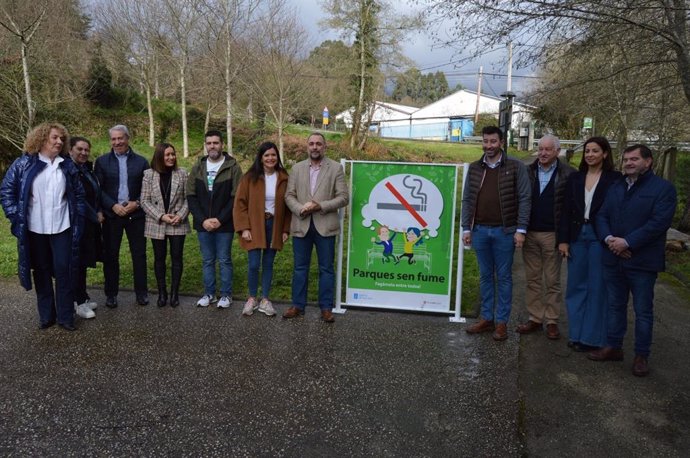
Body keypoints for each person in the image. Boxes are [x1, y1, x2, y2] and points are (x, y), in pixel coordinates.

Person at [589, 144, 677, 377]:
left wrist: (627, 243)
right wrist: (610, 240)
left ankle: (641, 355)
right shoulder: (617, 186)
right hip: (613, 257)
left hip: (642, 262)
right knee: (615, 305)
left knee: (643, 311)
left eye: (634, 159)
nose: (628, 163)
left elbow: (658, 224)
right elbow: (602, 215)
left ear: (648, 162)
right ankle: (613, 347)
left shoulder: (663, 189)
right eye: (626, 159)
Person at [0, 122, 85, 331]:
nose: (59, 142)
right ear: (42, 138)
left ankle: (66, 317)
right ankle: (46, 316)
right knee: (41, 271)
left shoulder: (67, 165)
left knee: (64, 271)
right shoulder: (23, 164)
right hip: (34, 229)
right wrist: (16, 217)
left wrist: (79, 220)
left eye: (61, 139)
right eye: (55, 137)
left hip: (62, 228)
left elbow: (79, 195)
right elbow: (6, 192)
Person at [462, 126, 531, 341]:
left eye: (493, 141)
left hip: (504, 232)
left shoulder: (516, 167)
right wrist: (466, 227)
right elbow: (467, 199)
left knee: (503, 277)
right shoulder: (474, 168)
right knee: (484, 276)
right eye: (485, 141)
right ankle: (486, 318)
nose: (489, 146)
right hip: (480, 231)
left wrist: (520, 230)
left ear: (501, 142)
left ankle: (501, 322)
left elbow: (525, 199)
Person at [558, 137, 621, 351]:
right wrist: (563, 240)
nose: (590, 155)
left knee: (597, 287)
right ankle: (575, 334)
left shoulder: (615, 179)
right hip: (577, 236)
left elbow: (618, 212)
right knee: (575, 286)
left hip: (600, 236)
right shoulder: (575, 178)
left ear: (605, 154)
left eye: (595, 151)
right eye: (587, 151)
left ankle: (592, 338)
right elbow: (565, 211)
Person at [283, 132, 349, 322]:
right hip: (301, 224)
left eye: (318, 144)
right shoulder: (296, 168)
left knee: (326, 269)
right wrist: (300, 209)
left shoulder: (335, 168)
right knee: (299, 268)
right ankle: (297, 305)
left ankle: (326, 308)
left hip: (325, 225)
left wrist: (321, 206)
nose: (314, 147)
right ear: (307, 146)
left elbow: (343, 197)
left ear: (324, 146)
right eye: (311, 143)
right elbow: (289, 195)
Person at [516, 135, 575, 340]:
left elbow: (570, 209)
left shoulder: (568, 174)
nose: (543, 153)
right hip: (530, 233)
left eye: (548, 149)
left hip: (552, 234)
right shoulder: (528, 171)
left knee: (552, 280)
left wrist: (566, 238)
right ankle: (535, 318)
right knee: (532, 279)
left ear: (557, 152)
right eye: (540, 149)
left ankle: (551, 320)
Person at [233, 141, 291, 317]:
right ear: (260, 157)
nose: (270, 158)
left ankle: (265, 299)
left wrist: (285, 230)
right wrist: (244, 227)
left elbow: (288, 206)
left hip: (274, 226)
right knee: (253, 264)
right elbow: (240, 204)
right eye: (266, 155)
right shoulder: (249, 178)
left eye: (273, 155)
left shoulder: (284, 177)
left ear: (277, 157)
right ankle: (252, 298)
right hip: (254, 225)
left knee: (268, 264)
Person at [94, 125, 150, 308]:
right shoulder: (101, 162)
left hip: (136, 215)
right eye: (113, 139)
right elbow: (98, 189)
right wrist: (112, 205)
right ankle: (111, 294)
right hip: (112, 215)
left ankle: (141, 293)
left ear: (127, 138)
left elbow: (149, 189)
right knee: (111, 256)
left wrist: (138, 203)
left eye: (120, 138)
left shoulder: (142, 162)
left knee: (139, 255)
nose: (117, 142)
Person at [186, 130, 242, 308]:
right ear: (205, 145)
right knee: (207, 260)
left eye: (215, 143)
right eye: (209, 143)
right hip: (203, 224)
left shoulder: (232, 166)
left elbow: (236, 197)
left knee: (224, 259)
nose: (212, 146)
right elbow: (191, 196)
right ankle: (209, 293)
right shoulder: (198, 166)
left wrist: (220, 219)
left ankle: (226, 295)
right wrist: (203, 220)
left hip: (224, 224)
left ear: (222, 144)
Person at [140, 143, 190, 307]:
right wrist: (161, 216)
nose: (171, 157)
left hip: (177, 222)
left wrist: (180, 216)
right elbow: (144, 201)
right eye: (167, 155)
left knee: (177, 258)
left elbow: (189, 198)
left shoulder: (182, 174)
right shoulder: (148, 174)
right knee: (159, 259)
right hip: (157, 222)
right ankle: (162, 293)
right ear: (159, 156)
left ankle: (175, 293)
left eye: (173, 154)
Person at [69, 136, 104, 320]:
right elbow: (77, 199)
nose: (83, 153)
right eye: (79, 149)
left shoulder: (85, 169)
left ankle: (82, 296)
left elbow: (94, 194)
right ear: (70, 150)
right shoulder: (69, 170)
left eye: (86, 150)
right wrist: (95, 214)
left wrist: (98, 209)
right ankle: (77, 302)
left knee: (82, 262)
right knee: (76, 263)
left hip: (89, 223)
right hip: (76, 223)